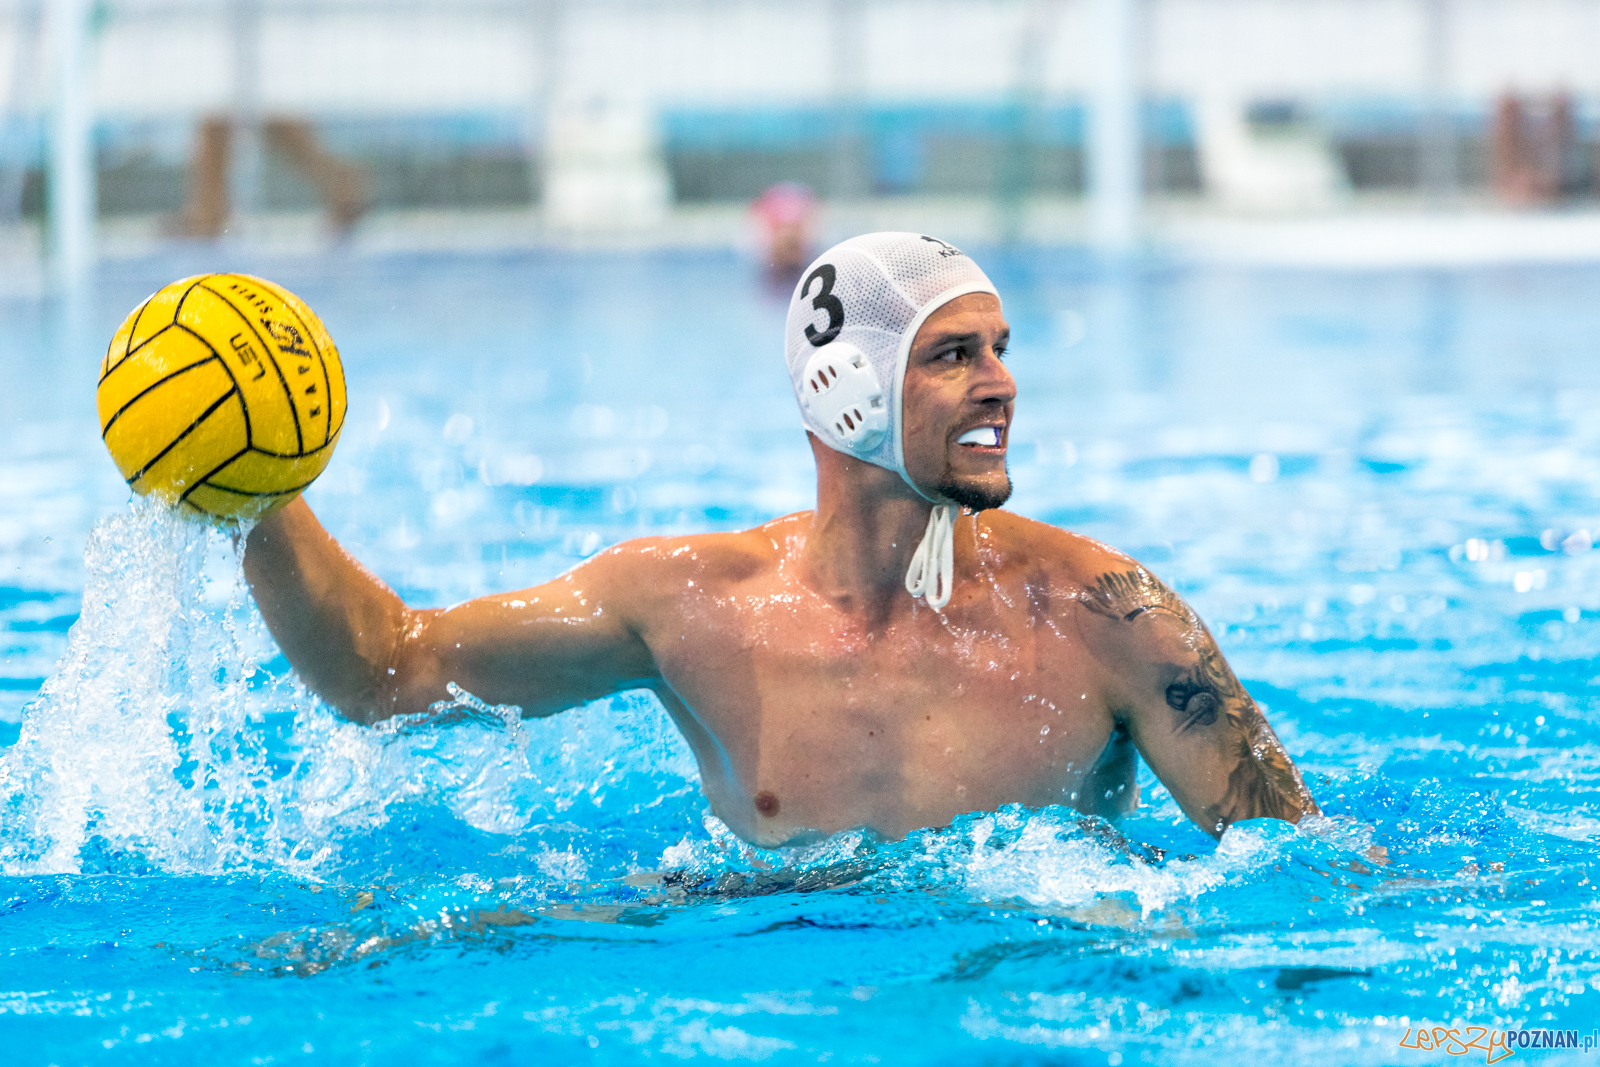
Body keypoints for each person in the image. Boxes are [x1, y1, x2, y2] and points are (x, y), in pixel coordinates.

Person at [244, 232, 1320, 848]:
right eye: (952, 355)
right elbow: (382, 669)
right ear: (845, 391)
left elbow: (1300, 874)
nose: (1002, 381)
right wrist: (246, 490)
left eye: (999, 346)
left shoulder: (1109, 615)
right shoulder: (685, 605)